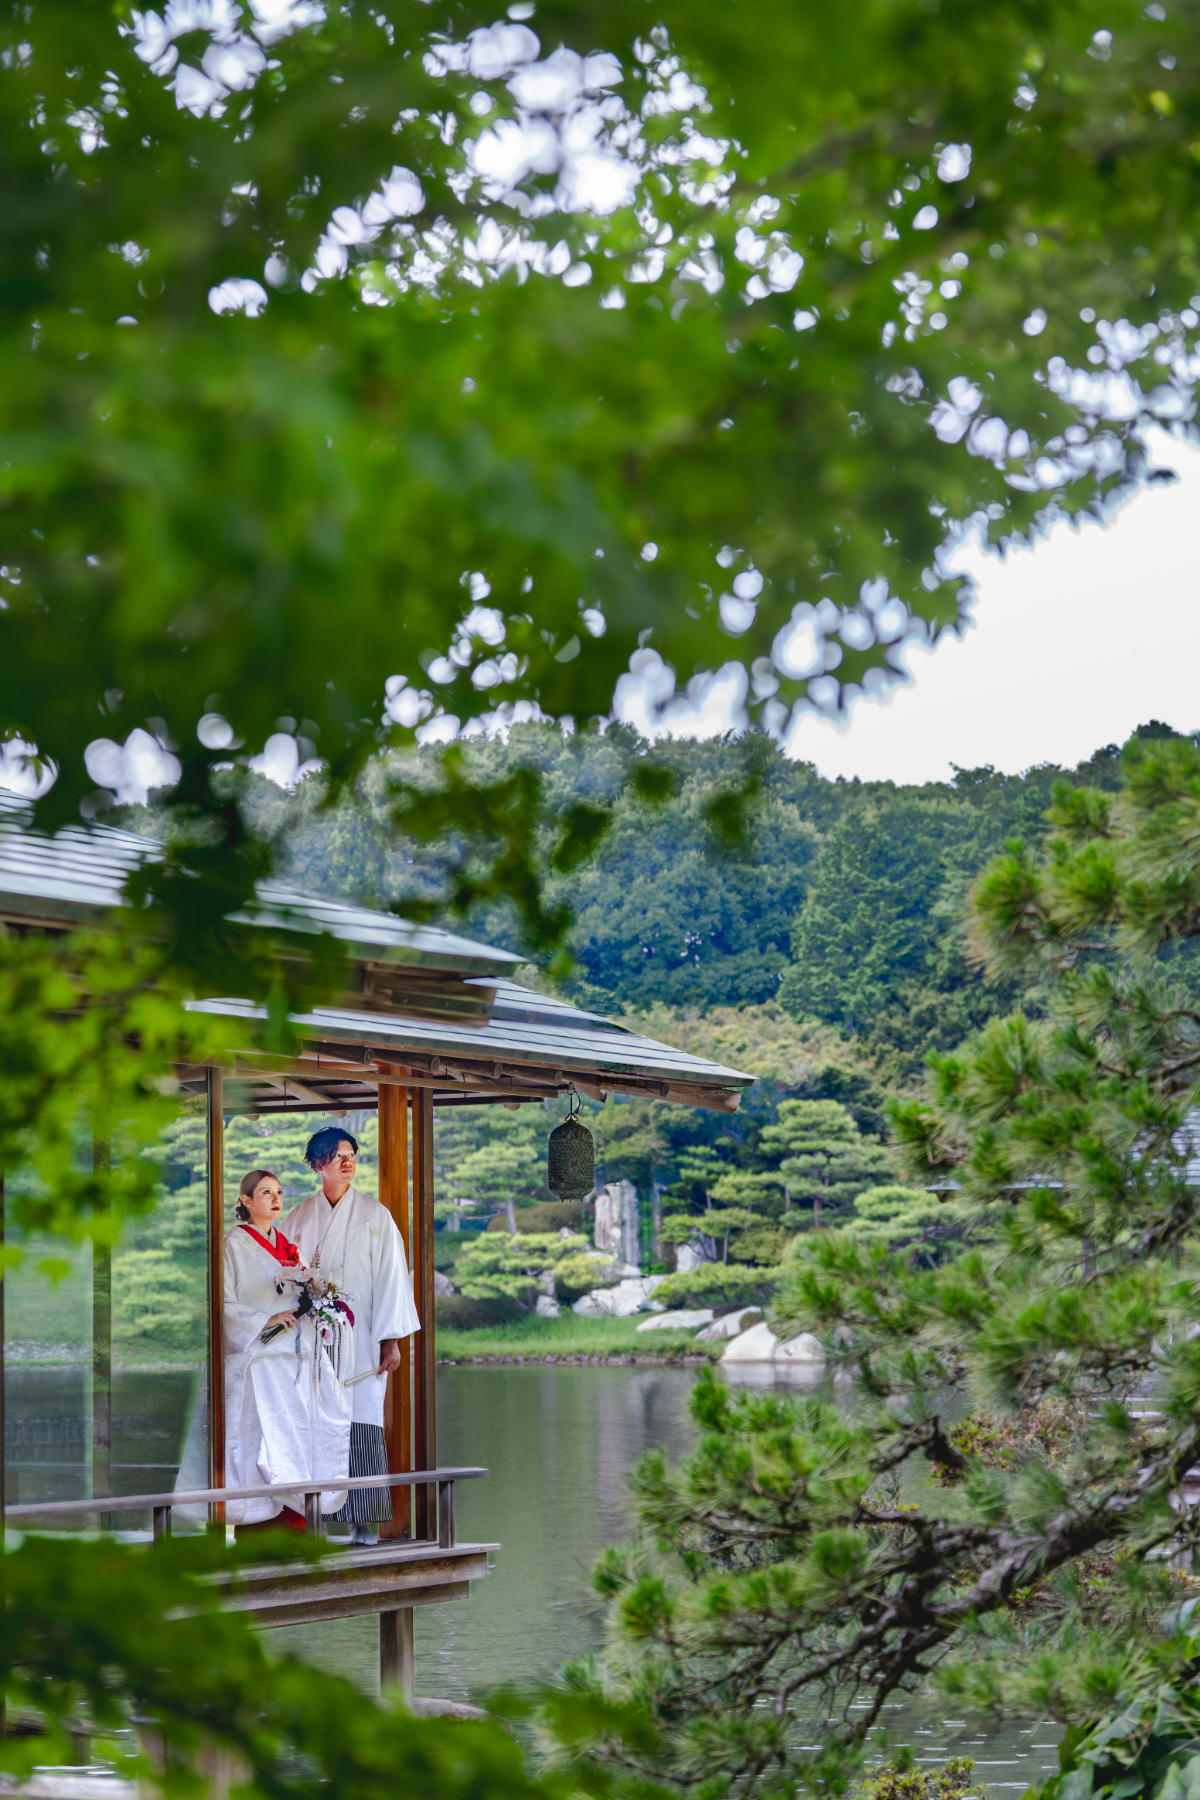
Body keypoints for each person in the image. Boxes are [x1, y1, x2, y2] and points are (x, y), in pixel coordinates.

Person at [282, 1127, 420, 1546]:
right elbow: (283, 1277)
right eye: (337, 1155)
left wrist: (391, 1339)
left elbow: (392, 1278)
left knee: (361, 1418)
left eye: (352, 1154)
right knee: (311, 1421)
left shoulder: (376, 1216)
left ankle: (363, 1522)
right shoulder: (298, 1218)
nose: (348, 1162)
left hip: (360, 1339)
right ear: (317, 1163)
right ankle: (314, 1519)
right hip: (311, 1337)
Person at [223, 1168, 350, 1533]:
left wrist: (316, 1309)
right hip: (259, 1356)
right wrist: (264, 1320)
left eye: (278, 1192)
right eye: (265, 1192)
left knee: (298, 1431)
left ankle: (296, 1518)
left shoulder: (288, 1245)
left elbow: (302, 1293)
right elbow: (223, 1301)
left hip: (293, 1354)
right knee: (262, 1435)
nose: (276, 1198)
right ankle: (259, 1522)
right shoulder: (234, 1243)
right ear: (246, 1201)